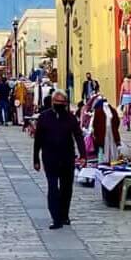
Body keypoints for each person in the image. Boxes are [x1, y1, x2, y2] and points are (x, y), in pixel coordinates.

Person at [34, 91, 88, 230]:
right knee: (53, 188)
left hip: (67, 157)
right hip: (49, 157)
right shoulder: (44, 117)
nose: (59, 105)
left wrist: (83, 155)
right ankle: (55, 218)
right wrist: (36, 159)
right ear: (52, 102)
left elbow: (78, 136)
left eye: (62, 103)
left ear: (65, 104)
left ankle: (64, 215)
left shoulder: (70, 118)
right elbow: (38, 139)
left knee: (66, 188)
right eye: (57, 102)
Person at [91, 95, 122, 164]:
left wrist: (114, 129)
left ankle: (113, 159)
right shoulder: (99, 111)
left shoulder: (112, 111)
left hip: (111, 132)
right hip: (103, 133)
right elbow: (95, 124)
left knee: (112, 145)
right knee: (104, 146)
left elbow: (117, 121)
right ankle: (104, 160)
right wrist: (96, 133)